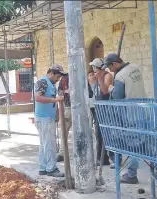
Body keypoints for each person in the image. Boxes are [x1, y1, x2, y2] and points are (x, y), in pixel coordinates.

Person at [102, 53, 147, 184]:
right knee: (147, 142)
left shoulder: (120, 76)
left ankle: (132, 174)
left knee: (134, 146)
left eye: (110, 67)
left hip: (132, 113)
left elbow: (117, 96)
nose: (109, 70)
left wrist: (110, 87)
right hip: (144, 110)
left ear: (115, 64)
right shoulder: (135, 67)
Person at [34, 64, 66, 177]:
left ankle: (43, 167)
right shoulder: (42, 82)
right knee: (50, 145)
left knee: (44, 144)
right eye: (57, 76)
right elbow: (38, 98)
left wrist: (56, 112)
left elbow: (52, 101)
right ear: (51, 73)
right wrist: (55, 99)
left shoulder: (51, 84)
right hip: (44, 118)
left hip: (48, 118)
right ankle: (51, 168)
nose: (58, 79)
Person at [56, 72, 94, 162]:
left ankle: (79, 152)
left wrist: (77, 91)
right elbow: (60, 91)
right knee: (65, 131)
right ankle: (63, 153)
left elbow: (90, 94)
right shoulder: (65, 78)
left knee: (79, 131)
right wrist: (66, 92)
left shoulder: (81, 77)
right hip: (70, 108)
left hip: (79, 108)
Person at [89, 58, 115, 167]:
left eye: (94, 67)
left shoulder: (107, 76)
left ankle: (113, 157)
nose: (93, 69)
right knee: (98, 134)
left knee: (108, 133)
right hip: (97, 108)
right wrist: (92, 80)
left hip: (106, 108)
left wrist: (99, 78)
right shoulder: (95, 76)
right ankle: (101, 158)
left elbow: (104, 91)